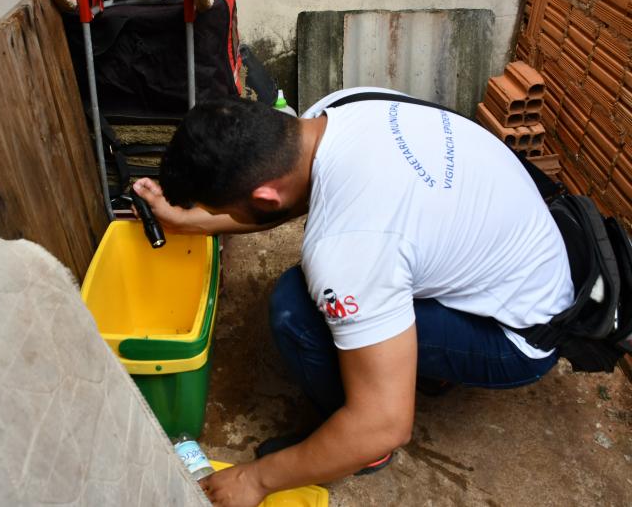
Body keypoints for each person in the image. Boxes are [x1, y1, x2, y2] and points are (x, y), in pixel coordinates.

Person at [132, 87, 574, 507]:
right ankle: (422, 367)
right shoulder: (336, 112)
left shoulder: (348, 249)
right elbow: (290, 197)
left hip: (518, 337)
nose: (223, 218)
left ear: (264, 196)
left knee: (296, 309)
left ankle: (362, 450)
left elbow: (385, 424)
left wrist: (255, 478)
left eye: (224, 210)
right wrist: (191, 222)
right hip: (531, 263)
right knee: (350, 285)